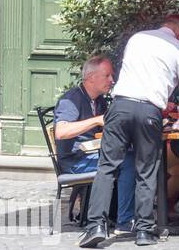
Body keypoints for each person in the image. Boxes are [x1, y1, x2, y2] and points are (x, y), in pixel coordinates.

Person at [79, 14, 179, 248]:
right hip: (149, 111)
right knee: (146, 170)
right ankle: (144, 230)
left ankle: (96, 226)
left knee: (107, 167)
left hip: (121, 106)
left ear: (163, 25)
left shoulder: (137, 38)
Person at [54, 56, 135, 232]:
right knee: (127, 162)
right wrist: (96, 120)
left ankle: (123, 216)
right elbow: (61, 132)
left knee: (133, 155)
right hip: (76, 161)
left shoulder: (99, 100)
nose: (112, 80)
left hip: (93, 155)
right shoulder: (72, 99)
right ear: (91, 78)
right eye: (107, 76)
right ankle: (125, 221)